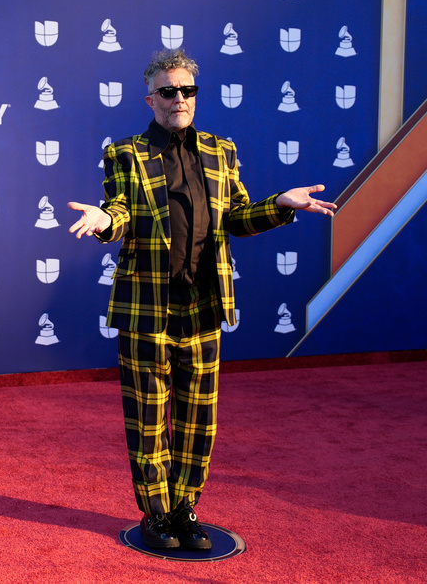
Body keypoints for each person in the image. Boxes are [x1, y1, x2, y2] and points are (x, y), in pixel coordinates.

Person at [68, 49, 336, 550]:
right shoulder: (124, 153)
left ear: (196, 95)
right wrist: (106, 221)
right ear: (151, 99)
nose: (179, 100)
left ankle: (186, 509)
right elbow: (120, 208)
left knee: (198, 417)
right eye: (168, 91)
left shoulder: (221, 150)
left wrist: (279, 204)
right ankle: (155, 516)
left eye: (187, 90)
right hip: (148, 308)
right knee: (148, 419)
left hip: (205, 306)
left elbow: (235, 215)